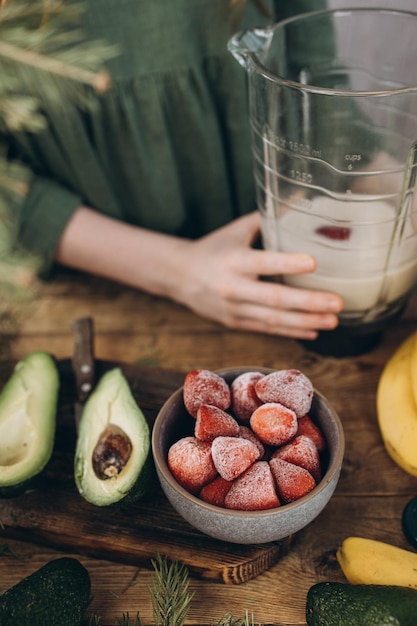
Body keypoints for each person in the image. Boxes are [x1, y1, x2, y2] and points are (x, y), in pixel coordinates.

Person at [6, 0, 344, 341]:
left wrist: (364, 166)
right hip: (82, 294)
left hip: (271, 272)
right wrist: (177, 269)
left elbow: (316, 61)